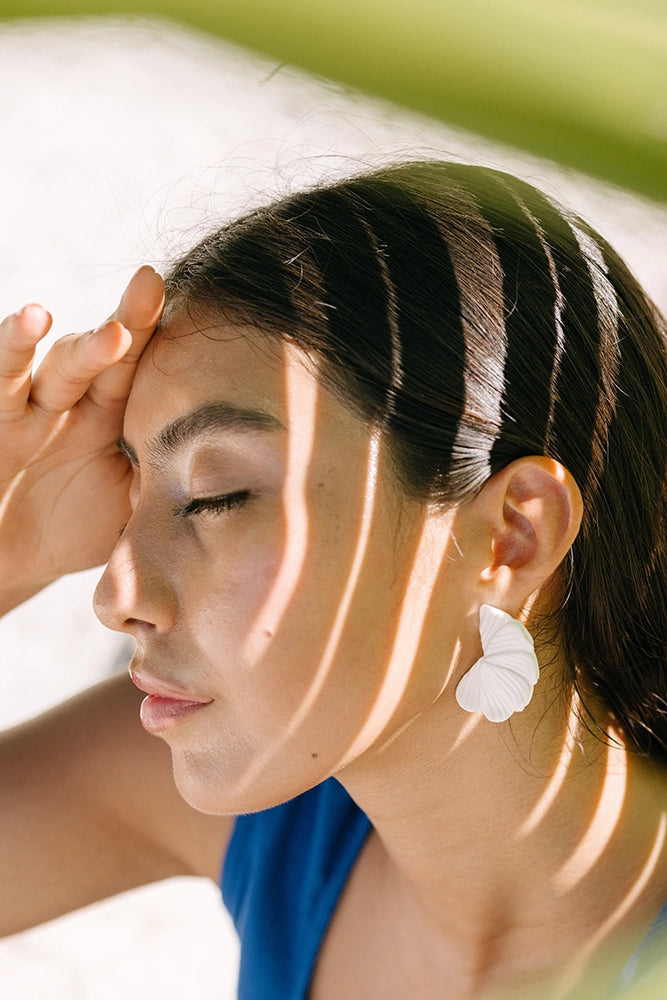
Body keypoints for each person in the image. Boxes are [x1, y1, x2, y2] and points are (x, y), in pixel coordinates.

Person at [0, 161, 665, 999]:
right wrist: (11, 553)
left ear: (512, 534)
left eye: (216, 495)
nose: (115, 595)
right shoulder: (284, 813)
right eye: (132, 488)